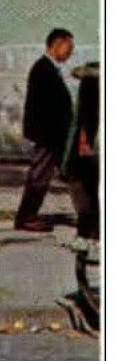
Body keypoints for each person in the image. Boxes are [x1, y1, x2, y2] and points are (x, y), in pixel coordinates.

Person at [15, 28, 83, 232]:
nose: (70, 53)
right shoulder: (43, 69)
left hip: (53, 135)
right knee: (39, 176)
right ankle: (25, 217)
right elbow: (44, 108)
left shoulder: (48, 68)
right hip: (47, 135)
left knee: (68, 173)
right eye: (68, 48)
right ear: (56, 44)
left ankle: (86, 213)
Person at [65, 62, 99, 241]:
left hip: (89, 151)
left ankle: (89, 235)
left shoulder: (89, 89)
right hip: (90, 150)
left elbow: (80, 123)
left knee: (85, 193)